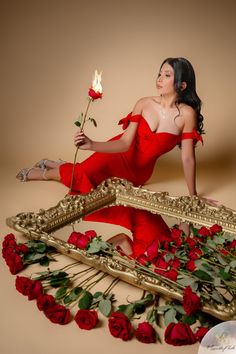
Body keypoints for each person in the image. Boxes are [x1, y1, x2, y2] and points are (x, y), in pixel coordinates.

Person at [16, 57, 204, 256]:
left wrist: (193, 197)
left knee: (93, 193)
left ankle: (58, 165)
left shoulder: (186, 114)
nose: (159, 79)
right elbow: (124, 143)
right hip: (119, 154)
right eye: (159, 73)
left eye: (167, 75)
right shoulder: (144, 103)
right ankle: (43, 173)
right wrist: (91, 144)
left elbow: (187, 158)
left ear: (182, 85)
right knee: (80, 175)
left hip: (139, 172)